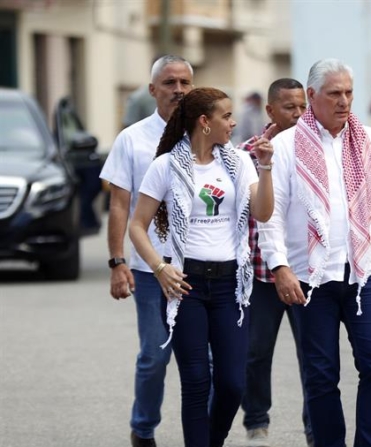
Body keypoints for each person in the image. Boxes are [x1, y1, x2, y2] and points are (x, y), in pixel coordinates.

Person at [259, 58, 371, 447]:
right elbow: (269, 215)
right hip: (311, 277)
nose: (344, 101)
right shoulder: (285, 145)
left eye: (348, 93)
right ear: (311, 96)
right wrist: (280, 267)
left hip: (366, 273)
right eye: (334, 93)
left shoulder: (370, 139)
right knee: (321, 375)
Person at [129, 87, 274, 447]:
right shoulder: (166, 166)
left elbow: (263, 213)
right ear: (204, 122)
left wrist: (266, 167)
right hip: (185, 285)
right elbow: (137, 225)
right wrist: (159, 268)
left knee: (232, 384)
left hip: (230, 286)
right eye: (226, 116)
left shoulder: (239, 162)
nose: (234, 122)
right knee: (195, 382)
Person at [99, 54, 193, 447]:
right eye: (169, 83)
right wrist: (118, 262)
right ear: (152, 90)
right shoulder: (132, 139)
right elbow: (119, 204)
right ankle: (143, 428)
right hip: (150, 268)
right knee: (155, 357)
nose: (178, 90)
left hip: (200, 269)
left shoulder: (207, 135)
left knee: (203, 363)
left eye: (185, 82)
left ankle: (202, 434)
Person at [237, 78, 312, 446]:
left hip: (305, 272)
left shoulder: (315, 152)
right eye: (289, 108)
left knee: (314, 355)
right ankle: (256, 421)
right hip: (259, 273)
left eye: (302, 107)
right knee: (255, 352)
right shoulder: (246, 154)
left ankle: (314, 427)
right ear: (270, 111)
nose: (298, 115)